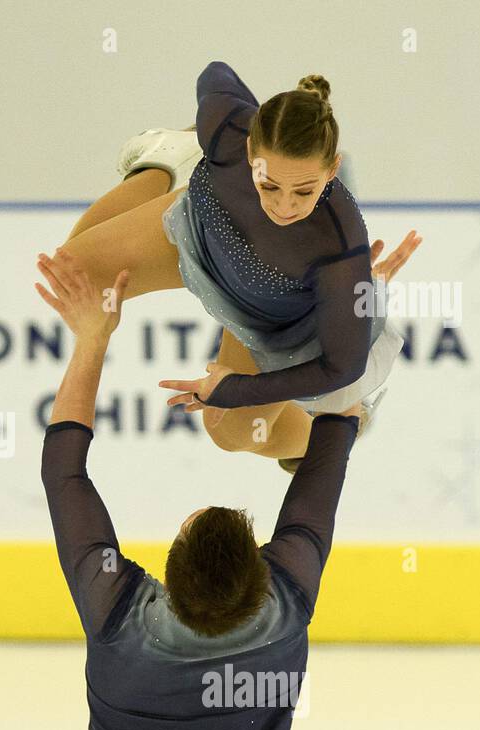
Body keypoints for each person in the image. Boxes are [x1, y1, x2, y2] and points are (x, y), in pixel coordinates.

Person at [36, 250, 361, 730]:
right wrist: (352, 322)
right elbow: (335, 432)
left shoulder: (124, 618)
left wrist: (92, 339)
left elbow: (64, 475)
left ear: (166, 570)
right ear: (264, 571)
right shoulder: (282, 606)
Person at [41, 61, 420, 470]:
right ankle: (165, 159)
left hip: (277, 321)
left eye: (305, 191)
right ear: (249, 151)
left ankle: (341, 423)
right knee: (75, 275)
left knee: (231, 432)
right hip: (201, 235)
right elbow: (214, 73)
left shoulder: (339, 247)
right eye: (269, 184)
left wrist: (236, 389)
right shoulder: (227, 129)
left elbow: (342, 366)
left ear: (332, 170)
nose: (284, 206)